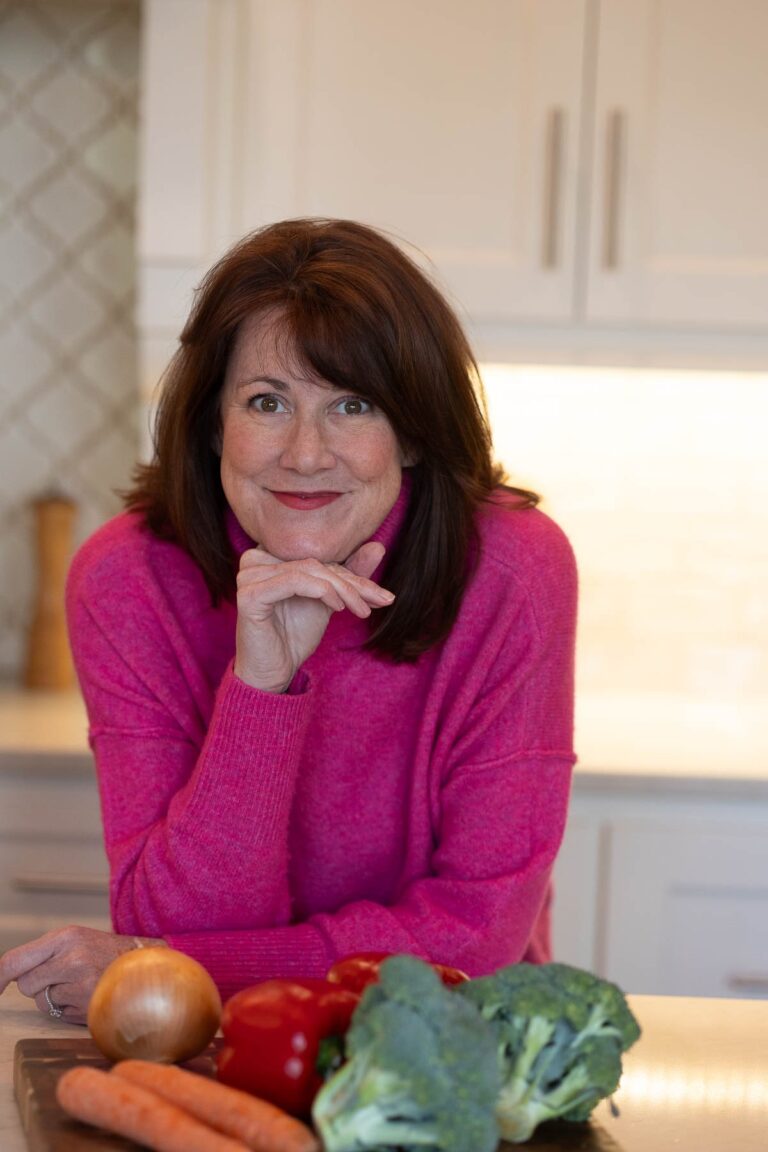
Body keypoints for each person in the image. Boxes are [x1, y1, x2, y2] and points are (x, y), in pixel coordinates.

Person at [0, 218, 577, 1024]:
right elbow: (171, 927)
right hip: (216, 1041)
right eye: (267, 402)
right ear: (211, 424)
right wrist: (261, 686)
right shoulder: (127, 580)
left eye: (353, 404)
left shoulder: (513, 568)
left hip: (447, 1034)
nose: (306, 454)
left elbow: (475, 935)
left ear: (412, 432)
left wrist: (167, 967)